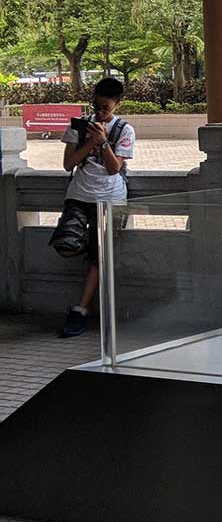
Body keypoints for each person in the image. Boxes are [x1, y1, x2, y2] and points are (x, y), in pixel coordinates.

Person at [57, 77, 135, 337]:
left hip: (111, 197)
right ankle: (86, 305)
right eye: (96, 106)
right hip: (79, 195)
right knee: (66, 242)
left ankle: (80, 308)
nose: (100, 112)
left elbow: (114, 168)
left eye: (106, 108)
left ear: (117, 105)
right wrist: (90, 141)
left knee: (99, 256)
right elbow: (69, 164)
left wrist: (103, 143)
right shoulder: (79, 127)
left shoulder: (125, 130)